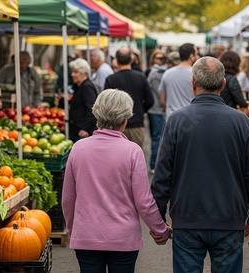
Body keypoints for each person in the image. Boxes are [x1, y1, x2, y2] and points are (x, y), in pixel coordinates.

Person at [151, 56, 249, 273]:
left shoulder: (176, 121)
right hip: (229, 218)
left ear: (193, 83)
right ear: (223, 84)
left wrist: (158, 218)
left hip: (187, 219)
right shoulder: (241, 122)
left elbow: (163, 175)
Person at [62, 89, 171, 273]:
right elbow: (143, 201)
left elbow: (68, 199)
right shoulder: (132, 151)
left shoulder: (78, 149)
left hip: (86, 235)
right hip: (123, 238)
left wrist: (75, 230)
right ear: (125, 119)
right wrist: (160, 229)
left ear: (97, 114)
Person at [104, 48, 154, 148]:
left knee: (117, 156)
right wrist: (139, 110)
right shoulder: (141, 77)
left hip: (116, 124)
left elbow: (107, 103)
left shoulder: (111, 79)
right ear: (131, 60)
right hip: (137, 124)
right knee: (135, 156)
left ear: (117, 60)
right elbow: (150, 100)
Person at [147, 50, 175, 174]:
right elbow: (159, 94)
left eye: (162, 58)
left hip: (160, 109)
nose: (160, 60)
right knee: (158, 137)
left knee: (159, 137)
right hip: (157, 109)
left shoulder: (163, 73)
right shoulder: (155, 73)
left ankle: (156, 164)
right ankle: (154, 164)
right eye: (157, 58)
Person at [159, 43, 198, 118]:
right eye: (196, 54)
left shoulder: (167, 73)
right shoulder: (196, 74)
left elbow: (162, 100)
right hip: (191, 119)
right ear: (191, 56)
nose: (197, 56)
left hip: (171, 117)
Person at [68, 58, 98, 142]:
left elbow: (92, 108)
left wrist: (85, 129)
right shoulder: (79, 87)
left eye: (76, 72)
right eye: (72, 72)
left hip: (83, 132)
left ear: (84, 74)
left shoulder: (86, 87)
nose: (72, 75)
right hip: (78, 129)